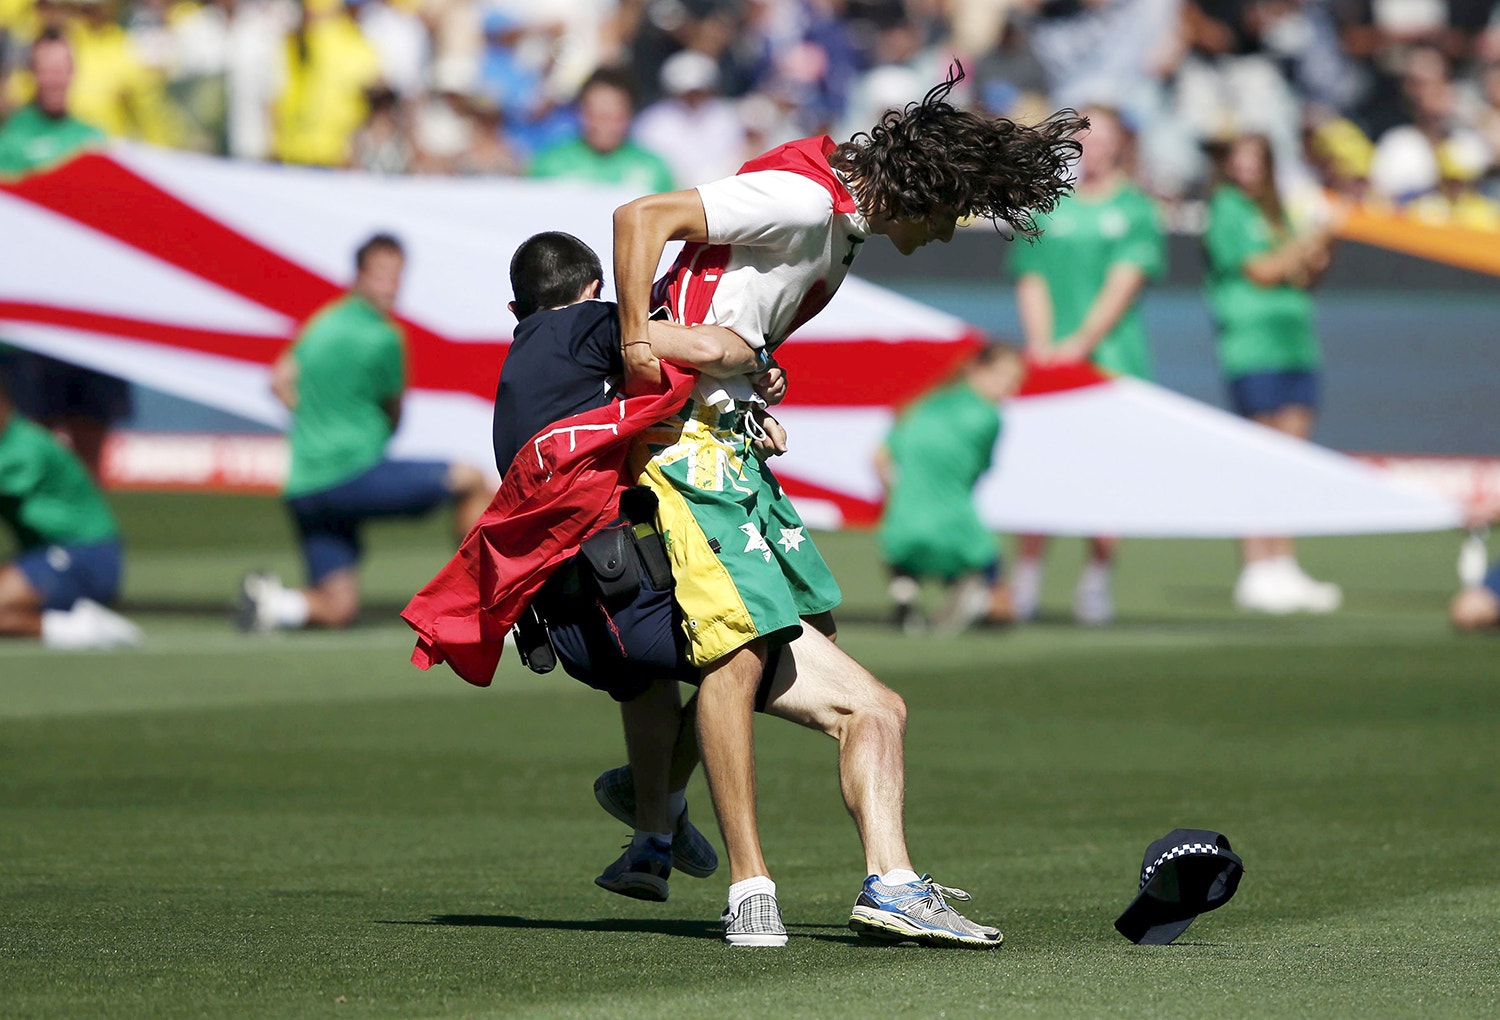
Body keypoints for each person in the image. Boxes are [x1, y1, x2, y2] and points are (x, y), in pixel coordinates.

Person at [610, 66, 1084, 946]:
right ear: (920, 191)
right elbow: (642, 218)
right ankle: (745, 885)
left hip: (731, 447)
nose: (945, 235)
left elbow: (725, 311)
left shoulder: (839, 223)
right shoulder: (799, 197)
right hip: (685, 453)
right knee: (742, 653)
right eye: (949, 214)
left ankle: (667, 805)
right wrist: (640, 339)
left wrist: (751, 377)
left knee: (835, 653)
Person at [487, 231, 1007, 950]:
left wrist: (733, 408)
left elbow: (635, 420)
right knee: (804, 662)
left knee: (700, 673)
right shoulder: (591, 324)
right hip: (627, 590)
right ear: (595, 289)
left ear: (515, 305)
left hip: (570, 618)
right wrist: (753, 364)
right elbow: (709, 348)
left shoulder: (524, 363)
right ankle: (768, 881)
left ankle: (653, 819)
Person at [236, 233, 492, 631]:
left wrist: (318, 422)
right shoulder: (384, 337)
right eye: (382, 275)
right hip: (352, 474)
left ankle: (275, 604)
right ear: (359, 275)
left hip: (305, 486)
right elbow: (393, 414)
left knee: (338, 607)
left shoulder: (322, 323)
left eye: (396, 275)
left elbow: (279, 381)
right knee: (472, 478)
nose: (391, 285)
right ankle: (488, 611)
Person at [1009, 105, 1165, 626]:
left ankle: (1095, 583)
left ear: (1122, 143)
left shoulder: (1136, 208)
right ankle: (1025, 578)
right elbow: (1030, 277)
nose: (1093, 145)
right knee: (1040, 472)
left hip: (1112, 361)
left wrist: (1080, 342)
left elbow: (1126, 281)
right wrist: (1043, 344)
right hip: (1050, 361)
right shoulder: (1047, 206)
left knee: (1107, 476)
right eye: (1084, 134)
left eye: (1104, 136)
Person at [1204, 132, 1342, 615]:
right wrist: (1311, 239)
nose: (1247, 168)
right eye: (1239, 159)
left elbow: (1303, 274)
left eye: (1255, 159)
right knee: (1257, 460)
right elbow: (1261, 270)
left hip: (1295, 345)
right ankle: (1256, 566)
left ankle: (1284, 564)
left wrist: (1322, 247)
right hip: (1253, 349)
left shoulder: (1279, 213)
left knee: (1290, 462)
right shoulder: (1226, 209)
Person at [0, 28, 131, 481]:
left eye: (62, 68)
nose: (54, 78)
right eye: (45, 69)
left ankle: (87, 543)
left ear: (72, 73)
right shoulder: (10, 140)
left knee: (92, 445)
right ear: (31, 74)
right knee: (33, 447)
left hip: (87, 319)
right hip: (32, 327)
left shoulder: (94, 138)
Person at [875, 343, 1024, 635]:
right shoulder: (988, 416)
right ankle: (978, 598)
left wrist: (897, 498)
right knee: (984, 560)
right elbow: (981, 469)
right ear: (979, 370)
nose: (1012, 388)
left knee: (904, 550)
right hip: (955, 522)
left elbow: (879, 458)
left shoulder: (923, 404)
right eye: (1005, 378)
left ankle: (904, 590)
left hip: (901, 524)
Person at [0, 372, 141, 649]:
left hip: (86, 556)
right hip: (44, 557)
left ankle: (85, 630)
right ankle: (73, 621)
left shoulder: (25, 446)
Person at [527, 67, 674, 194]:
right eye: (596, 115)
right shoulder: (550, 163)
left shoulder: (653, 168)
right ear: (580, 113)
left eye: (613, 117)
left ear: (630, 115)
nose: (604, 127)